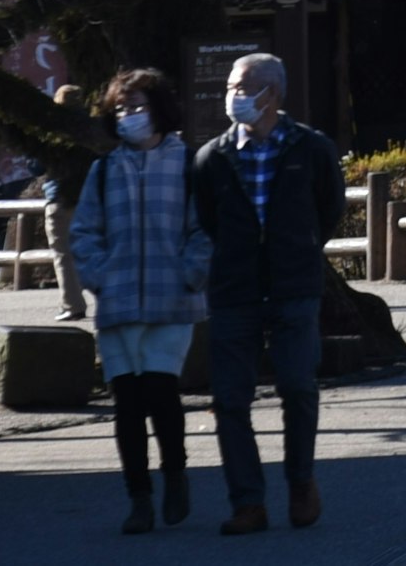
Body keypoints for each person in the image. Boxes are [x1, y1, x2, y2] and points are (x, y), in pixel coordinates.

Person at [187, 52, 343, 535]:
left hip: (294, 286)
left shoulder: (311, 148)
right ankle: (247, 502)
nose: (230, 96)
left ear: (270, 94)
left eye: (239, 87)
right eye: (231, 87)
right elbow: (208, 218)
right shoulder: (212, 156)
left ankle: (300, 481)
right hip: (234, 290)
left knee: (297, 386)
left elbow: (329, 210)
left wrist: (296, 249)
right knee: (230, 399)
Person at [71, 67, 209, 533]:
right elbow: (84, 231)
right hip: (119, 301)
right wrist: (100, 277)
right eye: (121, 108)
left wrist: (191, 273)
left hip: (173, 301)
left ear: (159, 109)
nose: (129, 116)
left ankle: (175, 476)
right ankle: (139, 498)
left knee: (161, 391)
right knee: (126, 402)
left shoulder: (188, 162)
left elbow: (204, 229)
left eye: (138, 106)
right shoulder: (104, 168)